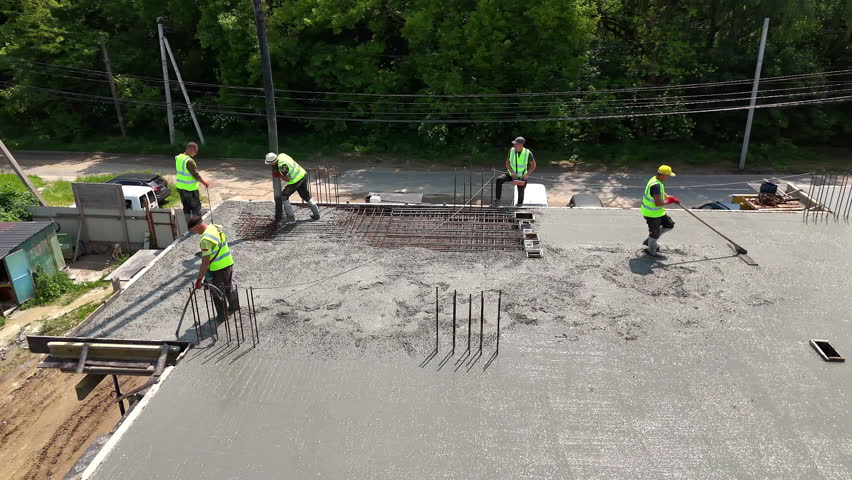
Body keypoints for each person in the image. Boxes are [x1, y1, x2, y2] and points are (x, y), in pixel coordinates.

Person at [188, 216, 238, 320]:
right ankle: (235, 306)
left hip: (218, 268)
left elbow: (205, 263)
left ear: (198, 226)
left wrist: (199, 280)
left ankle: (222, 316)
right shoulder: (214, 228)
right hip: (228, 262)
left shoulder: (205, 240)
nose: (195, 232)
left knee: (217, 293)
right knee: (228, 287)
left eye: (194, 230)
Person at [265, 152, 320, 222]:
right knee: (305, 196)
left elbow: (287, 179)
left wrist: (279, 175)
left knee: (283, 196)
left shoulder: (282, 166)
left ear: (273, 162)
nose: (270, 165)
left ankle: (290, 216)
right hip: (302, 174)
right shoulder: (282, 155)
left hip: (295, 181)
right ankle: (317, 215)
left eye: (270, 163)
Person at [641, 165, 680, 256]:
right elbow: (658, 203)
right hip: (651, 214)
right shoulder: (656, 185)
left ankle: (650, 240)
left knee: (669, 224)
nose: (669, 177)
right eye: (668, 175)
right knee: (654, 233)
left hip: (657, 212)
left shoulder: (655, 179)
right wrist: (670, 201)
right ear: (663, 175)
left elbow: (659, 193)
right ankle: (651, 251)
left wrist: (668, 197)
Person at [494, 136, 536, 206]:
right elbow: (507, 163)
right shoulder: (511, 150)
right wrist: (512, 172)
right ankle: (497, 201)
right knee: (499, 179)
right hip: (512, 174)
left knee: (520, 191)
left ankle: (519, 206)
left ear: (521, 145)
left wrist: (527, 175)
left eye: (515, 144)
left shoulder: (527, 152)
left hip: (522, 176)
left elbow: (533, 165)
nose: (514, 145)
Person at [174, 142, 209, 222]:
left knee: (186, 208)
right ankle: (197, 225)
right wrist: (204, 183)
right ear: (191, 149)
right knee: (195, 208)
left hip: (181, 188)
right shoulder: (189, 161)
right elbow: (196, 175)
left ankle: (189, 225)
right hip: (190, 190)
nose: (196, 153)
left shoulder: (178, 158)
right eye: (195, 151)